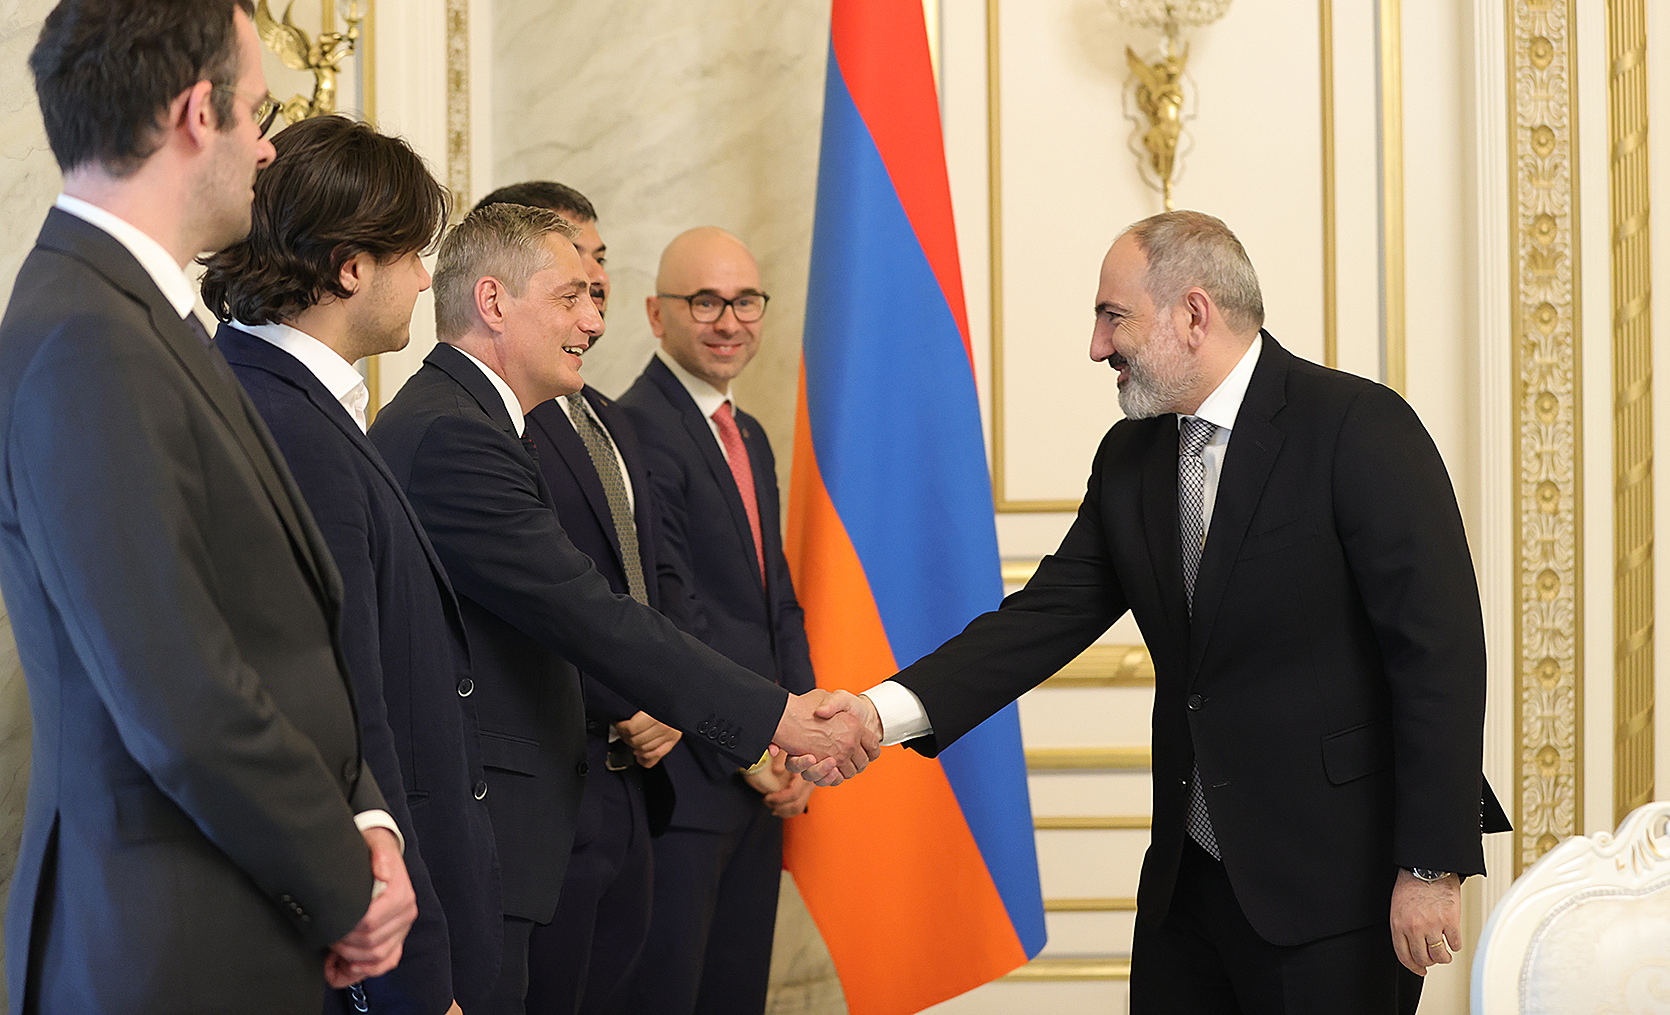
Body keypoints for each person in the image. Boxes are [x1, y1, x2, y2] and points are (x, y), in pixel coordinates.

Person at [830, 210, 1508, 1014]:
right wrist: (877, 713)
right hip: (1186, 898)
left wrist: (1430, 865)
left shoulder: (1356, 426)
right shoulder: (1131, 455)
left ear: (1193, 313)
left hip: (1337, 893)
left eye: (1112, 316)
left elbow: (1439, 654)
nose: (1097, 346)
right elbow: (1043, 617)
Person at [0, 0, 415, 1014]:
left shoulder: (149, 317)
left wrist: (367, 818)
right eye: (257, 112)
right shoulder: (86, 338)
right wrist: (346, 883)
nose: (267, 145)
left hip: (234, 909)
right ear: (198, 113)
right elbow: (179, 692)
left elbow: (277, 636)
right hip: (171, 943)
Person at [367, 203, 874, 1015]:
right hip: (485, 834)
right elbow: (590, 615)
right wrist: (777, 717)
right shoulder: (457, 434)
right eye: (570, 297)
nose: (594, 321)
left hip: (536, 823)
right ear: (494, 302)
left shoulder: (478, 420)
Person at [201, 114, 500, 1015]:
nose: (425, 278)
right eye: (413, 255)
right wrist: (416, 983)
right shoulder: (288, 427)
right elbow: (345, 723)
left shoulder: (282, 397)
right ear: (349, 267)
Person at [471, 181, 674, 1015]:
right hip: (557, 774)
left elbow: (648, 581)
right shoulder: (496, 427)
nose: (595, 286)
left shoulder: (611, 419)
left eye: (599, 261)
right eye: (574, 268)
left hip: (636, 784)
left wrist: (670, 705)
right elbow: (545, 603)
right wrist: (634, 698)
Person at [616, 226, 816, 1015]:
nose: (729, 321)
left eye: (745, 301)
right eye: (705, 302)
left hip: (761, 783)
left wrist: (800, 737)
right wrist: (754, 745)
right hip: (692, 787)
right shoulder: (635, 426)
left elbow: (776, 599)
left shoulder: (749, 433)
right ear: (656, 313)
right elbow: (674, 612)